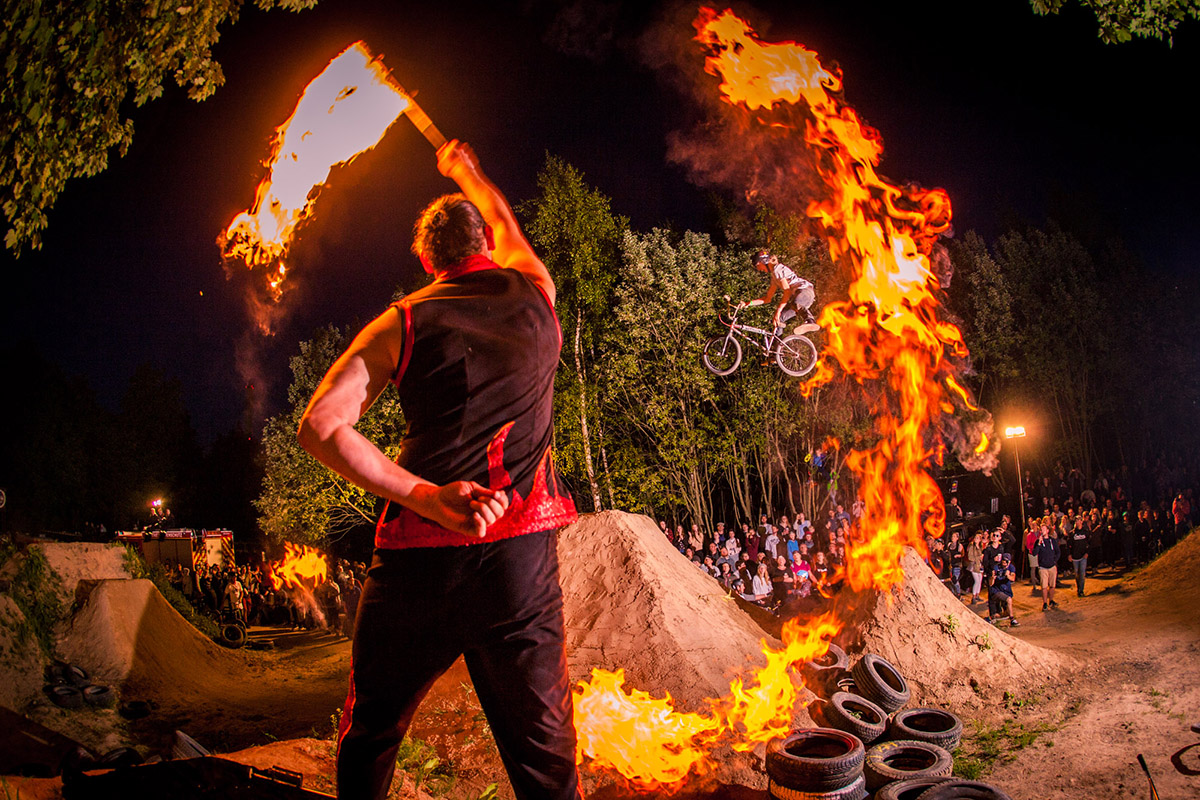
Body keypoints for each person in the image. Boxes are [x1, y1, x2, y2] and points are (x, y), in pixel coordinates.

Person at [297, 140, 581, 800]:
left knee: (370, 734)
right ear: (484, 243)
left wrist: (427, 495)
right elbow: (509, 227)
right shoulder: (538, 295)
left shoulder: (402, 321)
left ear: (427, 262)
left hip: (416, 563)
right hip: (519, 561)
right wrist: (470, 172)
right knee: (547, 759)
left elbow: (320, 426)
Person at [740, 250, 819, 337]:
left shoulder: (777, 270)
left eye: (758, 265)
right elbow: (767, 298)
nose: (759, 269)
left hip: (805, 291)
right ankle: (777, 347)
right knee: (779, 319)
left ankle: (810, 321)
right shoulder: (774, 277)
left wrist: (778, 310)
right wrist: (748, 303)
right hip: (801, 300)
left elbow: (787, 291)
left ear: (764, 262)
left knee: (794, 304)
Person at [1033, 521, 1060, 611]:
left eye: (1044, 529)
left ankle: (1051, 600)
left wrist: (1054, 560)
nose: (1042, 531)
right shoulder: (1038, 541)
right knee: (1044, 586)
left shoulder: (1052, 541)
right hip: (1043, 567)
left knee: (1052, 585)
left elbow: (1058, 551)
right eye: (1041, 529)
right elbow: (1034, 553)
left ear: (1048, 530)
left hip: (1052, 566)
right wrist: (1039, 543)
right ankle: (1044, 603)